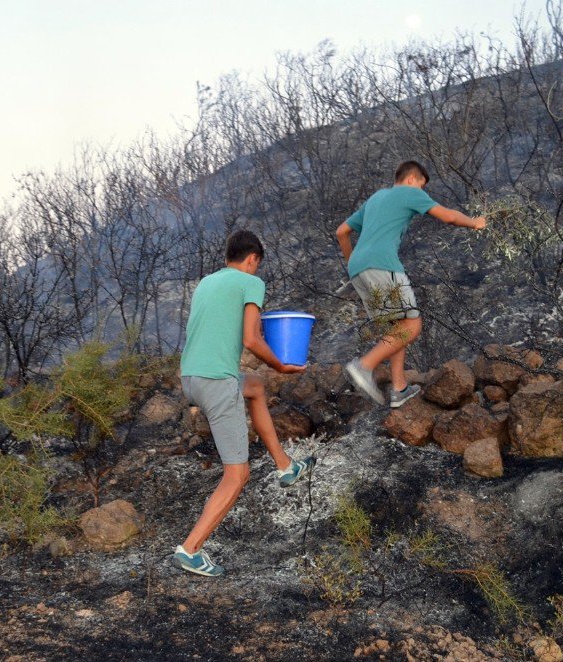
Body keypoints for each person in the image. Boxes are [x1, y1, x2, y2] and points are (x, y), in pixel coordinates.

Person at [173, 230, 316, 577]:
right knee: (238, 474)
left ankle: (285, 465)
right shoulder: (250, 283)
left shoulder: (207, 283)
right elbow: (252, 338)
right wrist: (281, 365)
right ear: (252, 259)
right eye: (256, 265)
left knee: (253, 386)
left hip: (190, 378)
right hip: (215, 383)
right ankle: (190, 550)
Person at [336, 161, 486, 408]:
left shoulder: (376, 198)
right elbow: (448, 217)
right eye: (421, 185)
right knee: (412, 326)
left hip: (359, 269)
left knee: (397, 326)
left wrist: (354, 261)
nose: (422, 191)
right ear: (411, 179)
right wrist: (474, 222)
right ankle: (363, 366)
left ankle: (399, 388)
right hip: (383, 265)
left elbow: (342, 231)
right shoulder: (409, 192)